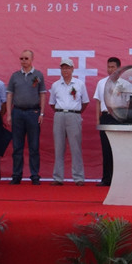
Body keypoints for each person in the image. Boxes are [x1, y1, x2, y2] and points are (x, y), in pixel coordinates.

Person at [5, 49, 46, 185]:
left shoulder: (38, 75)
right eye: (21, 58)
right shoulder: (15, 76)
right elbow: (10, 95)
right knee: (17, 146)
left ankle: (35, 175)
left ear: (32, 59)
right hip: (17, 113)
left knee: (34, 146)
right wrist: (9, 114)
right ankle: (17, 175)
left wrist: (41, 113)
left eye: (26, 58)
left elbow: (42, 94)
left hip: (33, 113)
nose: (23, 61)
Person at [49, 58, 89, 186]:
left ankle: (78, 177)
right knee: (58, 147)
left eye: (67, 68)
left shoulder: (79, 84)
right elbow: (52, 103)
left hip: (74, 115)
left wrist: (75, 112)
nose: (65, 70)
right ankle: (58, 177)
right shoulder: (55, 85)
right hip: (59, 115)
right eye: (63, 68)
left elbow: (85, 102)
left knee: (75, 147)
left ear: (72, 69)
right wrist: (61, 111)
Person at [93, 57, 123, 187]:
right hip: (105, 117)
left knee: (118, 149)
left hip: (119, 117)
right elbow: (98, 102)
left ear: (119, 68)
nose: (110, 69)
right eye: (108, 67)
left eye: (113, 67)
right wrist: (98, 119)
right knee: (106, 148)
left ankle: (119, 179)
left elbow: (128, 104)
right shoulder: (101, 83)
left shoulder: (124, 83)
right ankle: (106, 178)